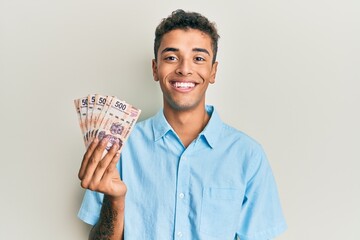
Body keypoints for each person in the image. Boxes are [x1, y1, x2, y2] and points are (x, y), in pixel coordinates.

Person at [77, 9, 287, 240]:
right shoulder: (120, 148)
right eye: (171, 57)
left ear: (213, 71)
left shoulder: (248, 155)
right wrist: (115, 201)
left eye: (198, 58)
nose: (184, 69)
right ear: (155, 69)